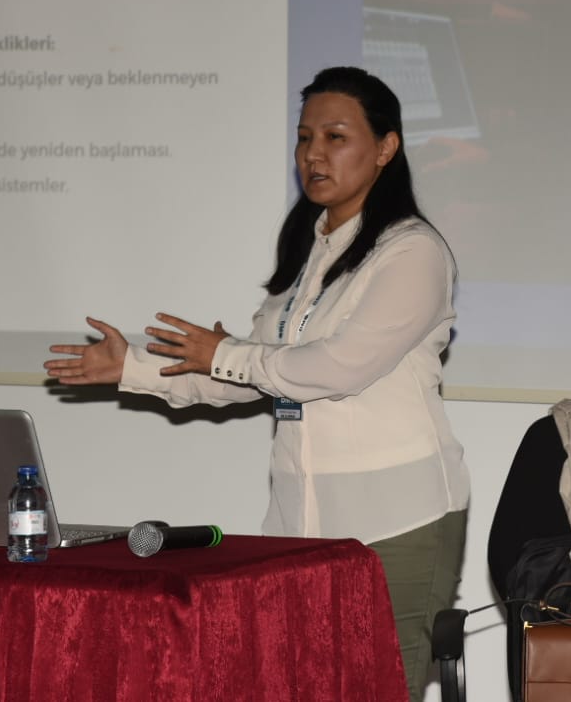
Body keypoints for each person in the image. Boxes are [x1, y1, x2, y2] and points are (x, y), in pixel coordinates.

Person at [46, 65, 469, 701]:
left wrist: (229, 354)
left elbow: (336, 368)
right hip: (299, 522)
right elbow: (252, 374)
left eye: (335, 137)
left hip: (397, 518)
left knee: (381, 689)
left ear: (386, 147)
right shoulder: (311, 248)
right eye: (304, 138)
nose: (314, 154)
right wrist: (131, 368)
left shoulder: (412, 251)